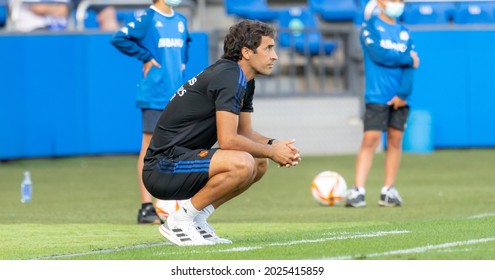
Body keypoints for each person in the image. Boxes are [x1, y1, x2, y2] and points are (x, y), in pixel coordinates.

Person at [142, 19, 302, 246]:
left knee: (258, 162)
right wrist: (271, 150)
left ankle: (197, 218)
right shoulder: (229, 76)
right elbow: (228, 140)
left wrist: (275, 146)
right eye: (268, 48)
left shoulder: (243, 79)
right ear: (247, 52)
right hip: (163, 167)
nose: (274, 55)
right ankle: (179, 220)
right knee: (242, 162)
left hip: (184, 161)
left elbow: (244, 132)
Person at [111, 0, 191, 224]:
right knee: (149, 148)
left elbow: (187, 45)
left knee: (176, 148)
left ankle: (173, 205)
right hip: (155, 93)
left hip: (176, 95)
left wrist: (182, 62)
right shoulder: (148, 18)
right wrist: (145, 57)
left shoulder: (181, 20)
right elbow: (119, 38)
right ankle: (146, 207)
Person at [345, 0, 420, 208]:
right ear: (379, 2)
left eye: (399, 1)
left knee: (395, 140)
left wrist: (403, 94)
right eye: (392, 0)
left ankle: (388, 190)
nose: (396, 4)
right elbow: (380, 55)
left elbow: (410, 69)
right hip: (377, 95)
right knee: (371, 139)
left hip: (400, 96)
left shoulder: (405, 32)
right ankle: (358, 190)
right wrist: (407, 58)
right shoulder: (370, 28)